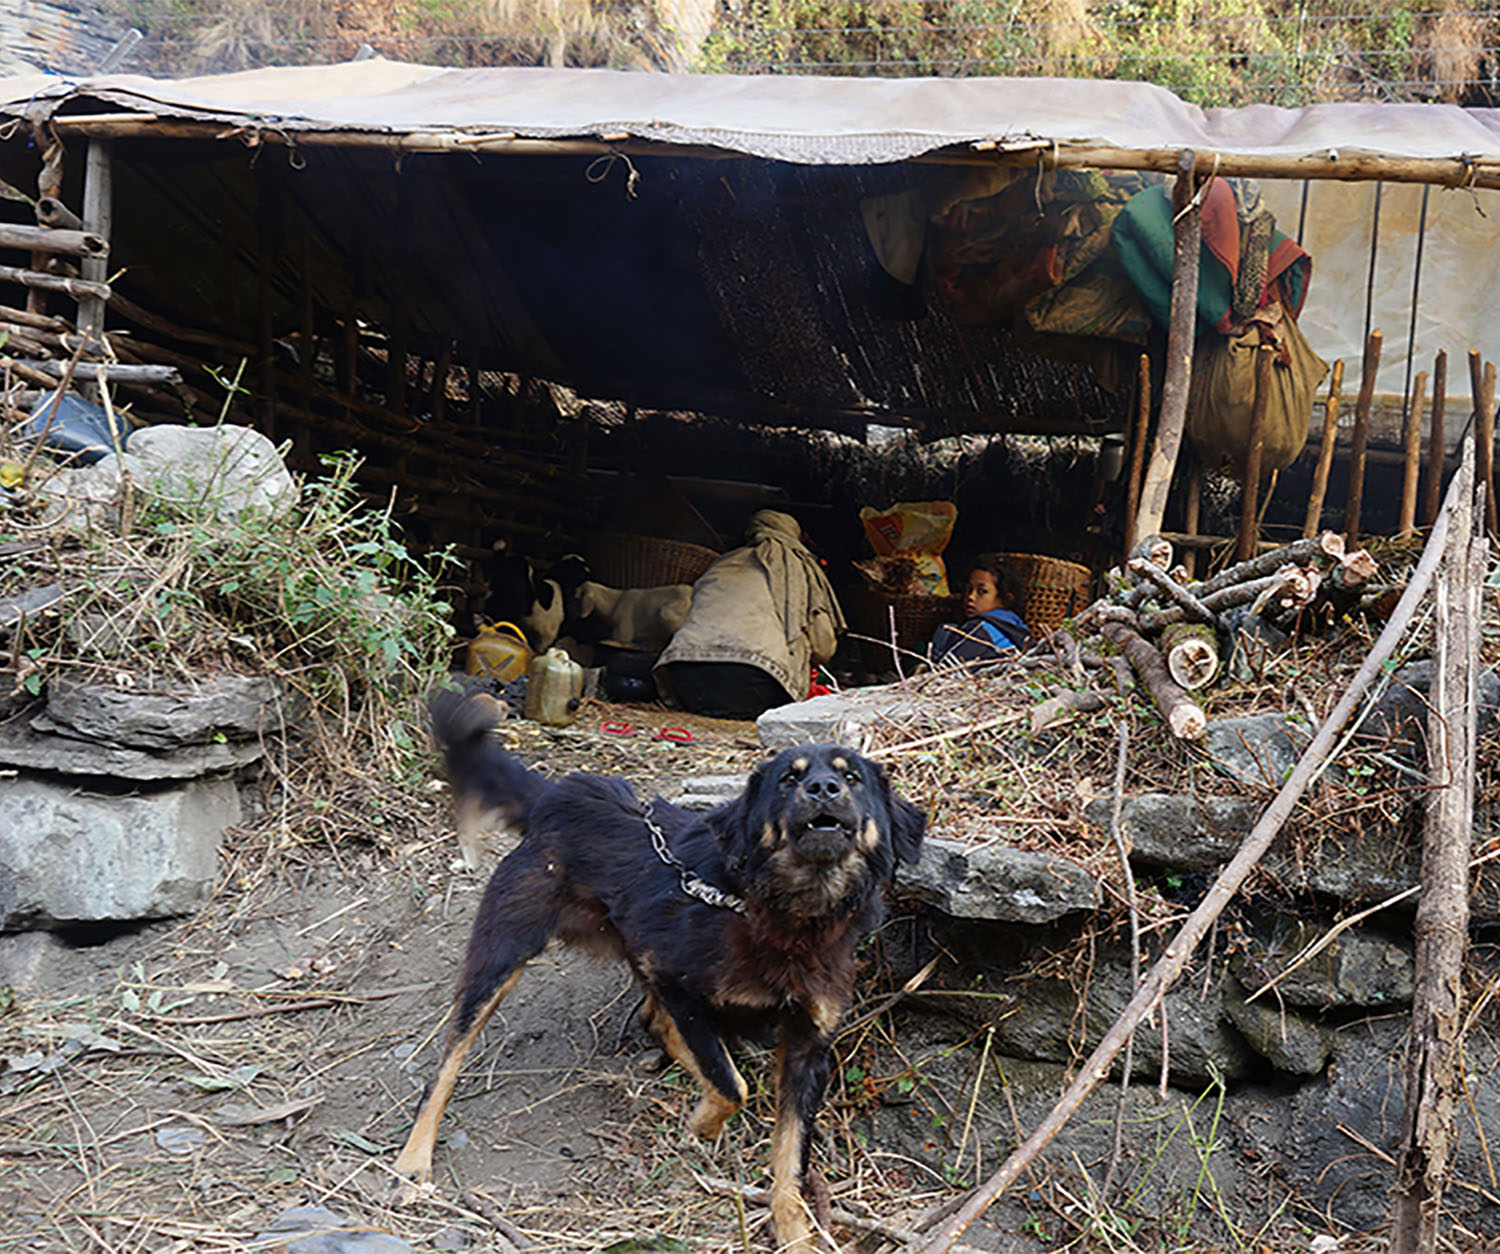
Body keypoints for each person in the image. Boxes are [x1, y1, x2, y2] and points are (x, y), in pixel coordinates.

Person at [654, 510, 845, 720]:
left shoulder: (723, 561)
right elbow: (822, 647)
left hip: (685, 678)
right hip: (754, 682)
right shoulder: (802, 568)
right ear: (794, 534)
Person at [929, 555, 1030, 666]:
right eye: (969, 589)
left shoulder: (980, 629)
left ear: (1005, 599)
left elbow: (946, 670)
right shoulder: (1016, 627)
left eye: (982, 591)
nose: (971, 597)